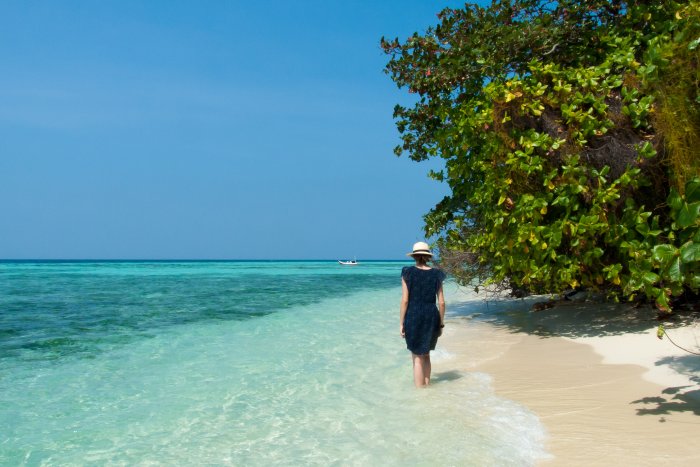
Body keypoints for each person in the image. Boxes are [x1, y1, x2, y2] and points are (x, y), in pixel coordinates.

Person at [400, 241, 446, 388]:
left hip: (413, 315)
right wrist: (441, 322)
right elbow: (442, 303)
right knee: (426, 354)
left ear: (414, 256)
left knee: (417, 357)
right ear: (427, 257)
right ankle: (427, 386)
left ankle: (420, 394)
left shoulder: (407, 272)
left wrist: (401, 323)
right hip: (431, 315)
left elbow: (405, 300)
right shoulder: (437, 274)